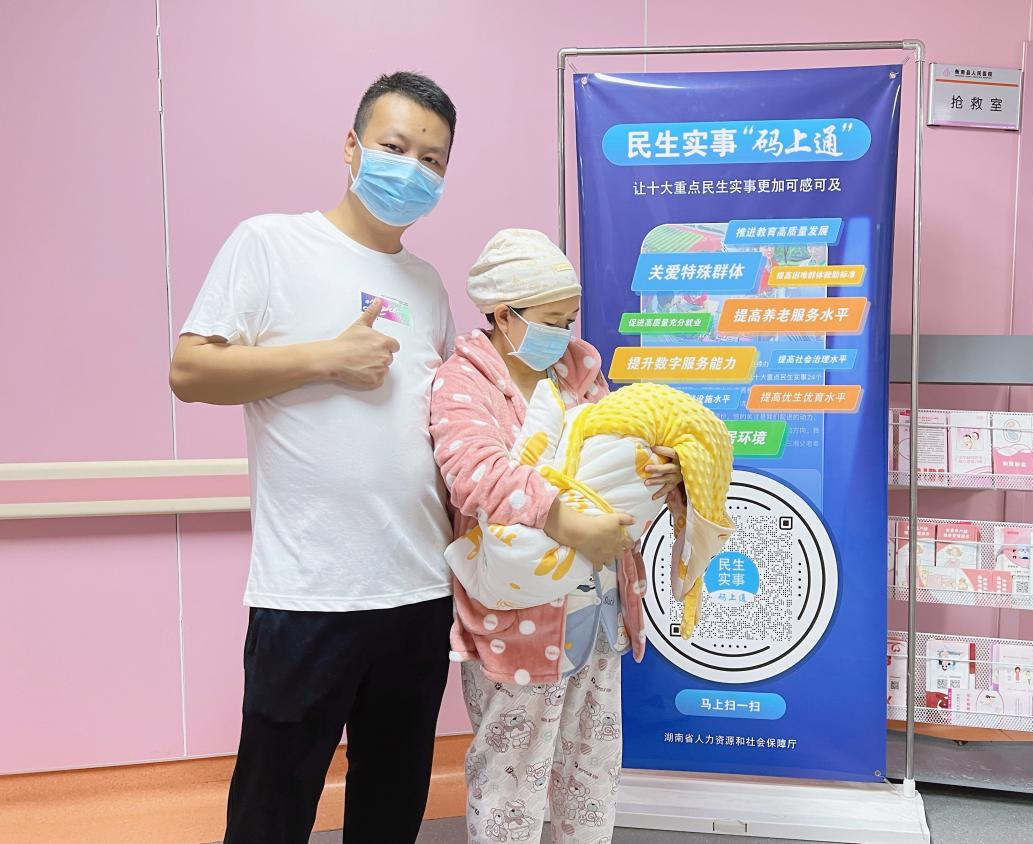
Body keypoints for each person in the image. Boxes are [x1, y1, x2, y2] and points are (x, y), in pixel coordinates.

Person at [169, 72, 459, 844]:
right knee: (271, 812)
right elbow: (189, 371)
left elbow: (444, 427)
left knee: (391, 811)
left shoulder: (427, 285)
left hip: (418, 592)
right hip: (309, 593)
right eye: (395, 146)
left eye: (432, 159)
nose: (412, 168)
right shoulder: (271, 244)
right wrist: (324, 358)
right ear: (352, 147)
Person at [429, 229, 682, 843]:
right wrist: (566, 521)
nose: (564, 334)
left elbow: (619, 454)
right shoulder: (464, 384)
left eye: (569, 319)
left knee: (591, 769)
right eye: (549, 321)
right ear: (502, 315)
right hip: (518, 619)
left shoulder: (579, 377)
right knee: (511, 775)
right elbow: (474, 476)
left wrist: (663, 469)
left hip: (598, 605)